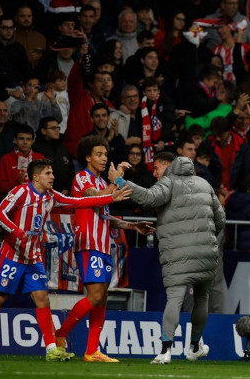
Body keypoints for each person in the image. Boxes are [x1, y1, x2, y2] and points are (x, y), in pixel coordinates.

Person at [0, 158, 130, 361]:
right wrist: (16, 230)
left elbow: (79, 202)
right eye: (48, 173)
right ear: (35, 177)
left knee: (43, 299)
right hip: (12, 254)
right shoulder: (21, 192)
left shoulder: (51, 196)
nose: (53, 176)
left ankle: (51, 349)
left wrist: (110, 199)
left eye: (52, 173)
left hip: (33, 257)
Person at [113, 153, 225, 364]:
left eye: (156, 168)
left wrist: (119, 181)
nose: (154, 173)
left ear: (167, 166)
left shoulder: (168, 182)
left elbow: (147, 198)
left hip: (177, 254)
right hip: (207, 253)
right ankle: (194, 347)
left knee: (175, 299)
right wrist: (205, 236)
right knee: (202, 298)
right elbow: (221, 219)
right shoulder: (205, 184)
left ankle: (165, 351)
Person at [54, 136, 154, 362]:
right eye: (98, 154)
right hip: (88, 243)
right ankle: (60, 334)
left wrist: (133, 226)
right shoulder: (82, 178)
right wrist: (115, 181)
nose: (103, 158)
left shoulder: (101, 183)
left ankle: (92, 351)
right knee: (95, 295)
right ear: (87, 157)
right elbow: (94, 198)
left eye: (105, 154)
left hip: (103, 246)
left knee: (103, 298)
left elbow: (106, 215)